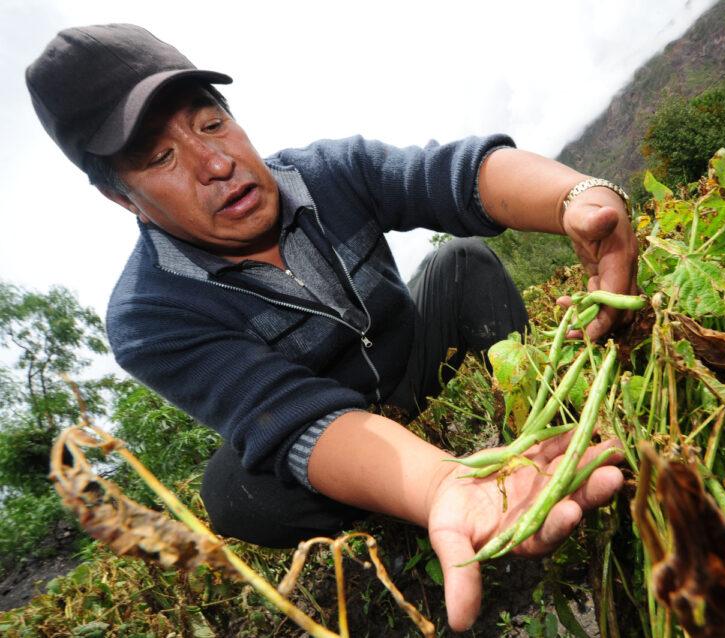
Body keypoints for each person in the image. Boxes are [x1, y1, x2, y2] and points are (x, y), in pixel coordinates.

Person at [26, 23, 638, 631]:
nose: (215, 162)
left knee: (462, 264)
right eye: (161, 157)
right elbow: (290, 416)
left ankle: (539, 429)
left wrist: (578, 196)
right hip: (334, 433)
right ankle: (410, 507)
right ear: (123, 199)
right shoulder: (149, 314)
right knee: (235, 494)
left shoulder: (329, 171)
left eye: (211, 123)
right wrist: (442, 483)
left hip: (410, 366)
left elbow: (453, 175)